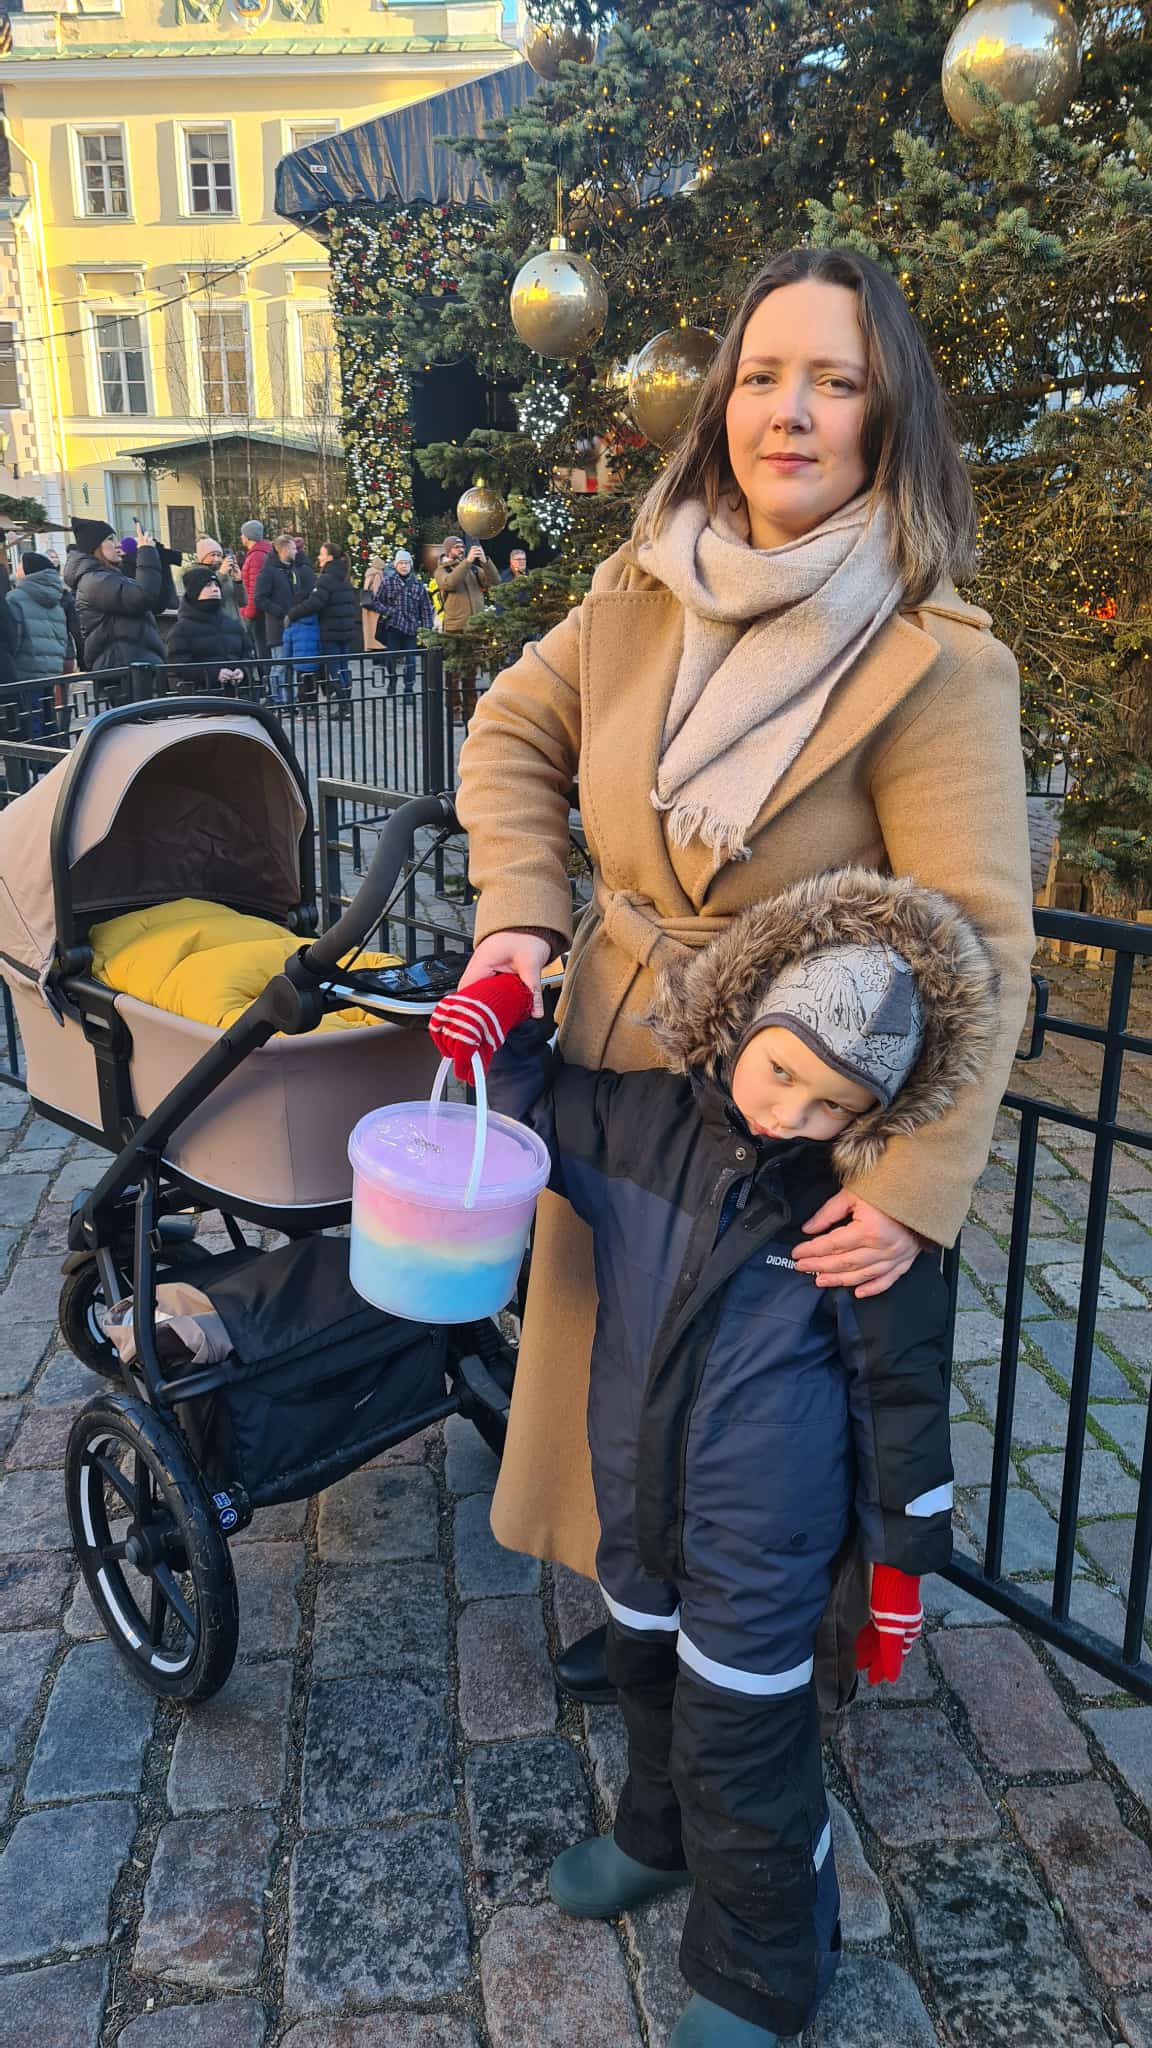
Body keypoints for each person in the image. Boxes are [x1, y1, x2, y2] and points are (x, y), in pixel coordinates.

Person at [453, 243, 1037, 1717]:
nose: (791, 410)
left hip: (783, 1126)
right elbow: (510, 733)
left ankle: (767, 1660)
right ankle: (641, 1610)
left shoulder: (935, 659)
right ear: (723, 401)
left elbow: (982, 943)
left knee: (757, 1420)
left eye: (835, 381)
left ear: (885, 414)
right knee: (614, 1367)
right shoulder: (640, 588)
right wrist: (520, 912)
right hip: (616, 1061)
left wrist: (911, 1188)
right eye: (764, 375)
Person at [430, 866, 996, 2045]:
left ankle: (765, 1964)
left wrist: (900, 1564)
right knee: (645, 1672)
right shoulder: (646, 1126)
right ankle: (658, 1833)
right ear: (743, 1023)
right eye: (781, 1070)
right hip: (640, 1494)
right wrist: (501, 1012)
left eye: (833, 1104)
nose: (793, 1113)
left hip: (765, 1532)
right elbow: (533, 1106)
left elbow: (901, 1397)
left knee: (745, 1737)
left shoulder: (855, 1221)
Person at [64, 519, 166, 688]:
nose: (118, 544)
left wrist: (154, 555)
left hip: (133, 665)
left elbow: (158, 602)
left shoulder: (109, 575)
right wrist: (146, 553)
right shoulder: (95, 581)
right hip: (121, 669)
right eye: (110, 539)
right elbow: (142, 598)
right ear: (95, 546)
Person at [7, 551, 74, 737]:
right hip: (50, 672)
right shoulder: (55, 599)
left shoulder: (15, 598)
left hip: (25, 672)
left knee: (31, 723)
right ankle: (53, 753)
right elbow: (62, 636)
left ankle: (38, 756)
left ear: (28, 571)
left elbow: (14, 638)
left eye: (20, 565)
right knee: (48, 720)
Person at [285, 540, 359, 706]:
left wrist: (293, 613)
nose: (319, 557)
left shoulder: (326, 578)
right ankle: (346, 701)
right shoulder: (345, 576)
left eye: (321, 554)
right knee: (344, 667)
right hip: (346, 631)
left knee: (334, 669)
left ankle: (343, 704)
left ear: (330, 557)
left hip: (331, 631)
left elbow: (315, 603)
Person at [434, 533, 498, 725]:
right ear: (448, 550)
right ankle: (454, 709)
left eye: (462, 547)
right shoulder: (442, 570)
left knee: (471, 675)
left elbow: (495, 581)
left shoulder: (472, 570)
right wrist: (467, 562)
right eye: (457, 547)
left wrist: (485, 562)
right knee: (453, 675)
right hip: (454, 629)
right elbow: (450, 583)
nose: (461, 550)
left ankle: (471, 713)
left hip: (473, 630)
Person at [164, 566, 249, 693]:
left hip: (237, 696)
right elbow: (178, 666)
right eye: (208, 585)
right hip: (203, 698)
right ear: (194, 591)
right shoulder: (181, 629)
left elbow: (247, 655)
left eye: (216, 585)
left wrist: (242, 671)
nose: (215, 589)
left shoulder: (233, 625)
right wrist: (213, 674)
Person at [253, 532, 314, 704]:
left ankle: (290, 701)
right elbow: (260, 599)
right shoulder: (268, 572)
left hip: (293, 624)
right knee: (280, 665)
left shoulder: (293, 570)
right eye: (293, 548)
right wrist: (281, 613)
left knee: (291, 665)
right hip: (277, 626)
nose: (296, 552)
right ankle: (277, 700)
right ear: (284, 549)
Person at [373, 547, 436, 696]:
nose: (404, 566)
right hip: (393, 627)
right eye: (401, 563)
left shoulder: (418, 585)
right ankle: (392, 680)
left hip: (411, 628)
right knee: (391, 658)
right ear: (396, 565)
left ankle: (409, 688)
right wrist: (388, 611)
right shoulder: (388, 583)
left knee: (411, 660)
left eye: (406, 563)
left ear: (410, 565)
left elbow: (426, 608)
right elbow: (376, 602)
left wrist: (427, 629)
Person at [195, 535, 249, 638]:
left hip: (236, 629)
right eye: (212, 555)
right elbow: (204, 600)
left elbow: (243, 602)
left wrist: (238, 581)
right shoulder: (197, 574)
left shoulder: (226, 573)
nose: (216, 559)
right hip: (214, 631)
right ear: (202, 557)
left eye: (219, 555)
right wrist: (221, 575)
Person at [239, 519, 273, 661]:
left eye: (242, 534)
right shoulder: (264, 552)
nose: (241, 537)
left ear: (248, 536)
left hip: (258, 613)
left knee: (262, 652)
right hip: (263, 611)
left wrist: (249, 612)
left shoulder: (256, 556)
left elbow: (255, 587)